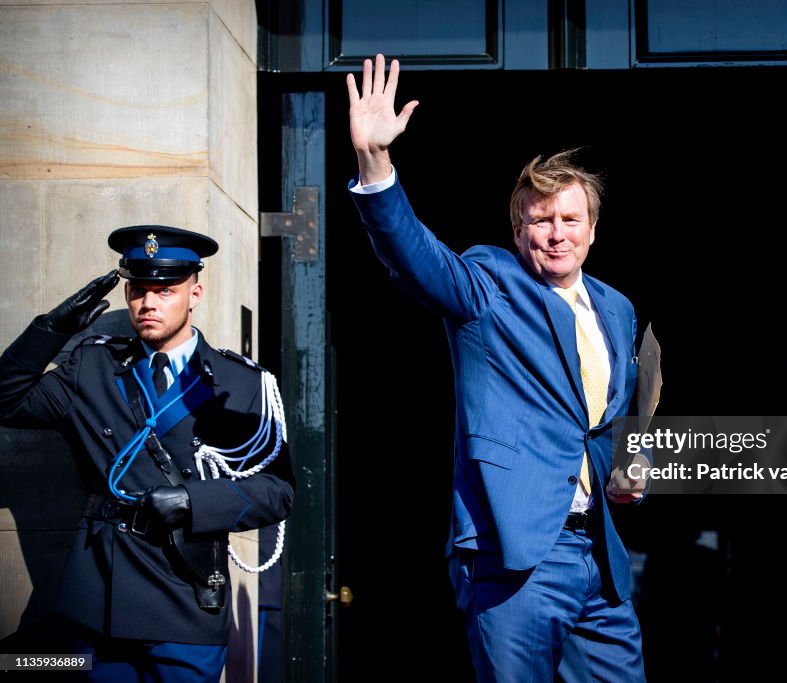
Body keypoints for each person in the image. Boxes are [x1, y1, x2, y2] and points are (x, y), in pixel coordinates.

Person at [345, 54, 647, 681]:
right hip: (519, 557)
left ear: (593, 231)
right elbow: (415, 254)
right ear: (518, 231)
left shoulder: (616, 309)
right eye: (541, 221)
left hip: (601, 554)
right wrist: (376, 165)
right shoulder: (488, 285)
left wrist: (631, 464)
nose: (556, 234)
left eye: (570, 220)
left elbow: (607, 420)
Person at [0, 225, 294, 682]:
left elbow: (277, 491)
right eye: (138, 290)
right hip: (99, 601)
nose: (148, 303)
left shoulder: (242, 383)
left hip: (185, 605)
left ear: (195, 293)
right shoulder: (91, 366)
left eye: (165, 290)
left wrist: (195, 503)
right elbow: (7, 400)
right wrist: (51, 330)